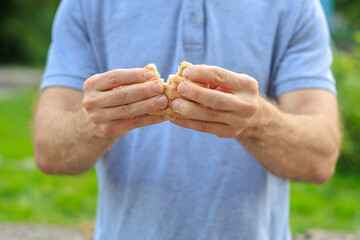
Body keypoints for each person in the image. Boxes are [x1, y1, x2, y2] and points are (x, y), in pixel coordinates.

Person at [33, 0, 340, 239]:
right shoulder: (86, 5)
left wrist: (257, 120)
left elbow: (320, 158)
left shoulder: (296, 6)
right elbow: (49, 152)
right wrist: (94, 122)